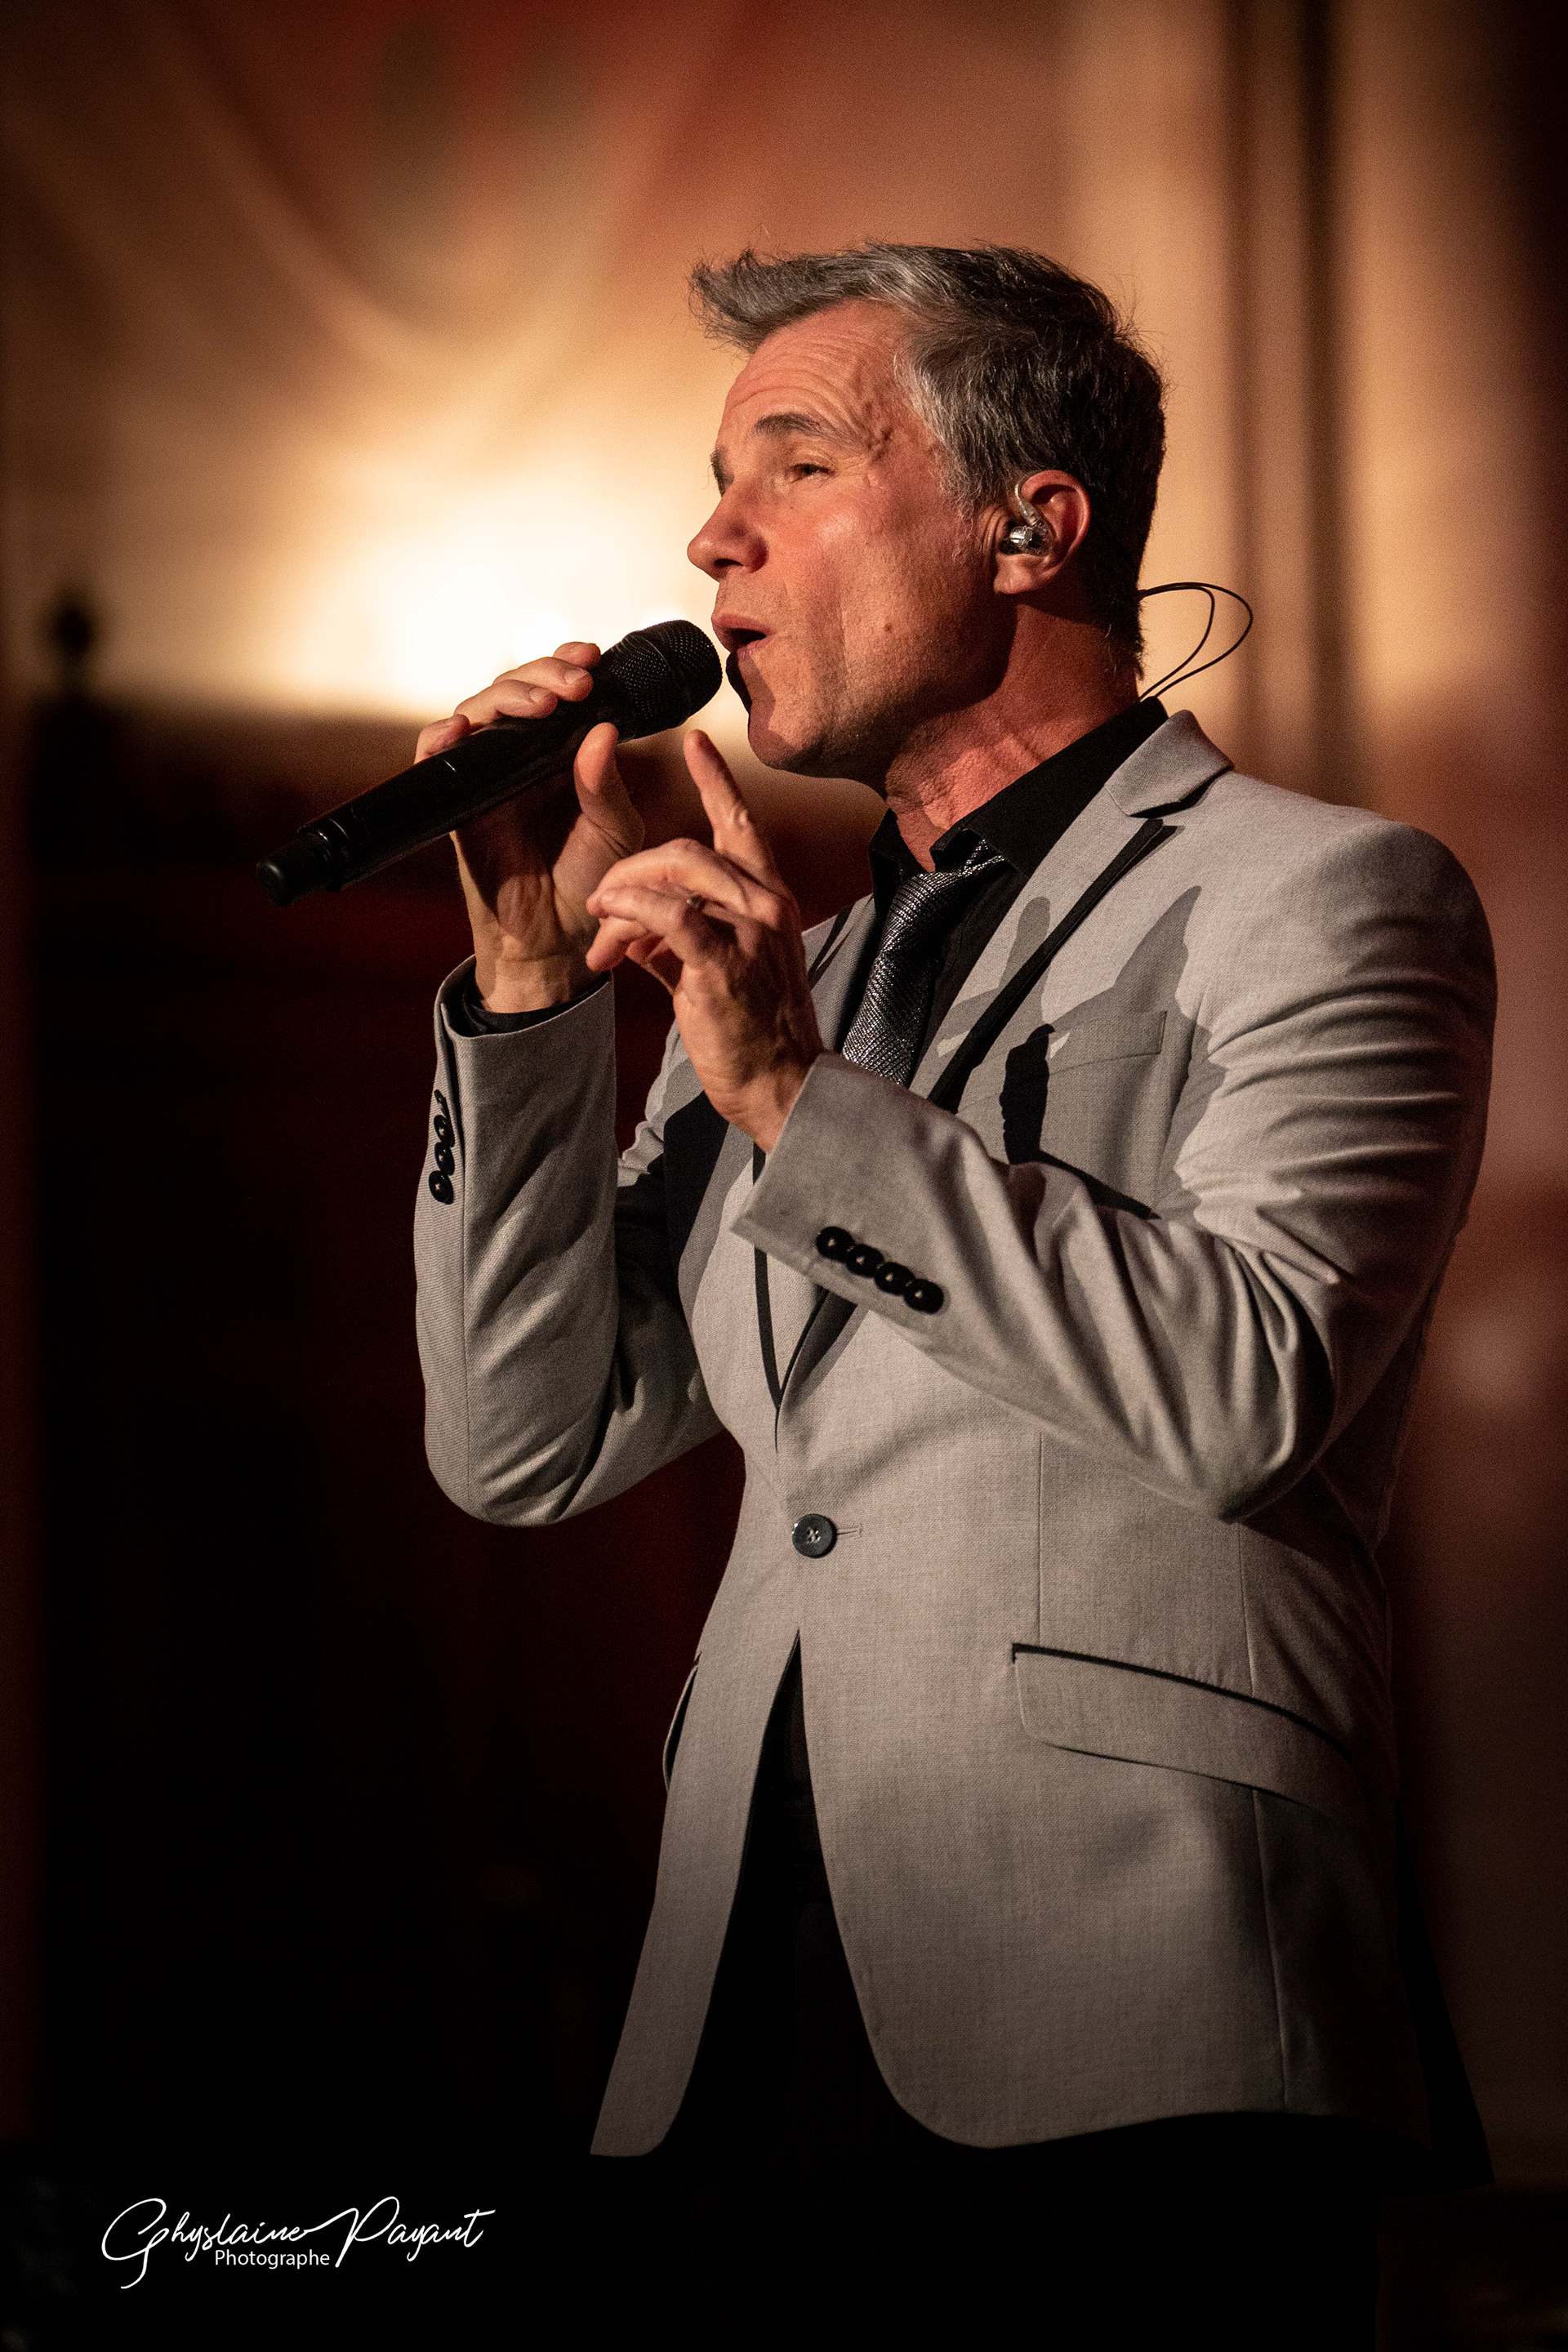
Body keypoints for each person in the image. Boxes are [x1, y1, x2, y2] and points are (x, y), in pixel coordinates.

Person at [412, 244, 1494, 2344]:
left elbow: (1249, 1386)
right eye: (714, 485)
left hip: (1142, 2010)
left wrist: (793, 1095)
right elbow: (527, 1442)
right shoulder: (790, 966)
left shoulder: (1324, 896)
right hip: (746, 2018)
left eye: (797, 466)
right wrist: (530, 982)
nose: (712, 541)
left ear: (1031, 524)